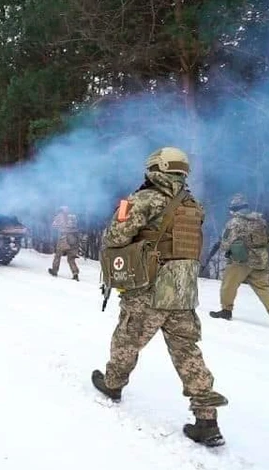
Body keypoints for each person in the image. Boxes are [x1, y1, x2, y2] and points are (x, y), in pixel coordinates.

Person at [92, 146, 228, 447]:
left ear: (156, 168)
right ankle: (207, 420)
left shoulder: (144, 199)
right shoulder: (193, 204)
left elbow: (115, 237)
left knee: (127, 340)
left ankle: (113, 385)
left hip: (150, 289)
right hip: (183, 291)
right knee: (188, 352)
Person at [209, 193, 269, 331]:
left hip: (242, 260)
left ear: (234, 209)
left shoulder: (234, 223)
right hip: (261, 259)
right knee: (263, 289)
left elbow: (225, 244)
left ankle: (226, 311)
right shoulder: (260, 220)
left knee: (228, 286)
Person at [48, 206, 80, 281]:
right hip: (74, 238)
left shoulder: (59, 216)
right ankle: (75, 273)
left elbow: (54, 225)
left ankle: (54, 271)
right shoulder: (73, 217)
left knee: (58, 255)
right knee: (71, 258)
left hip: (64, 238)